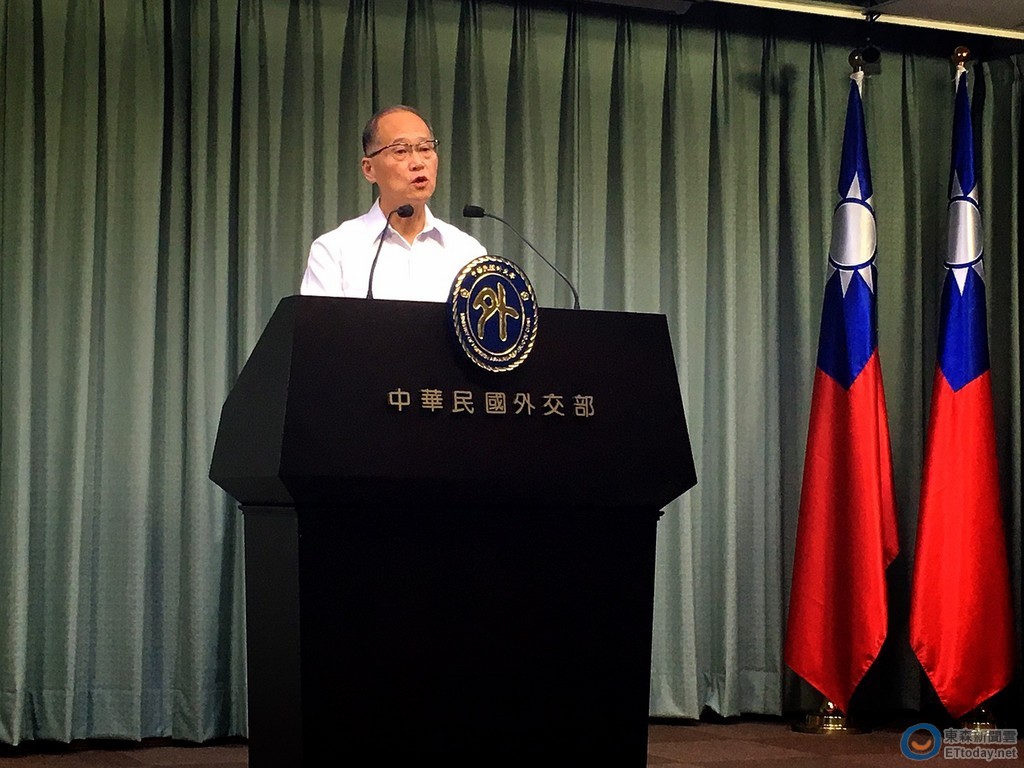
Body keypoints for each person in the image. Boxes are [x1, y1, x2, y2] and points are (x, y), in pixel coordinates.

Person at [300, 105, 487, 301]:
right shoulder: (334, 251)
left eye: (425, 148)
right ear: (369, 169)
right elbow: (319, 322)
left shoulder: (467, 252)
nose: (418, 163)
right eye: (401, 151)